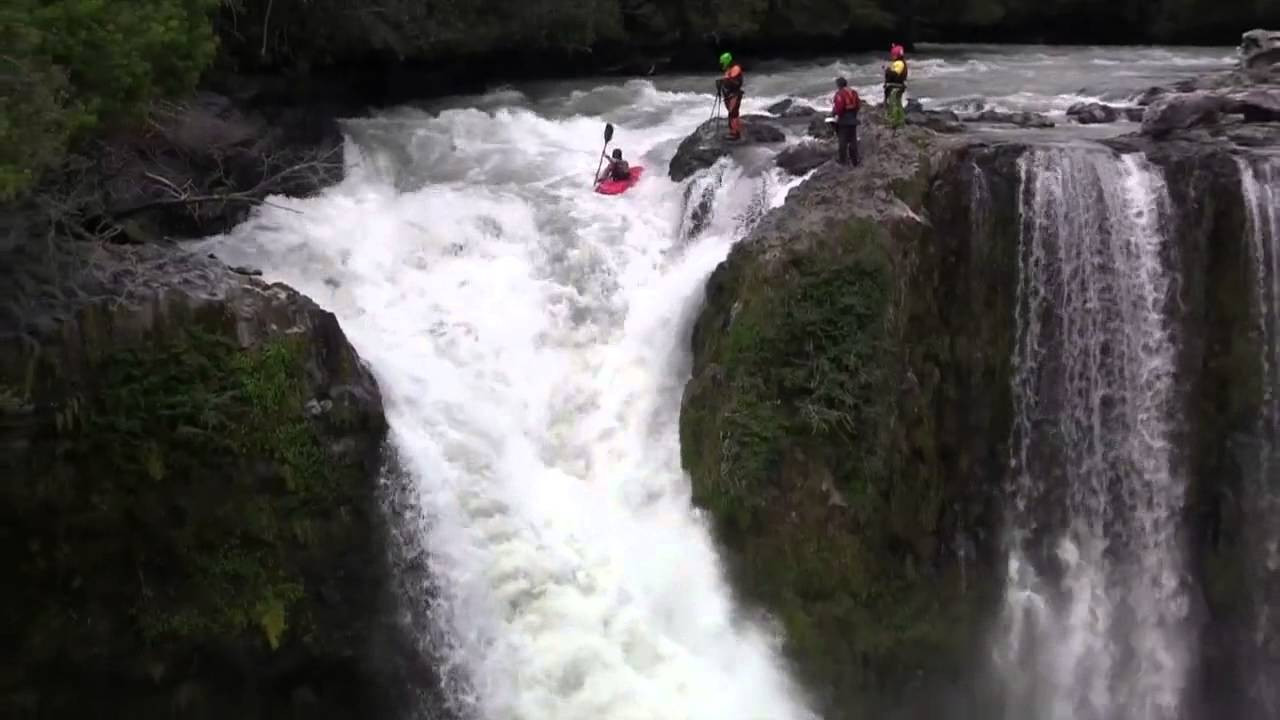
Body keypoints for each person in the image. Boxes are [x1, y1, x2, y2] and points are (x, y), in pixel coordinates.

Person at [831, 77, 861, 166]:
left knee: (842, 141)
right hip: (853, 118)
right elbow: (858, 105)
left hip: (844, 119)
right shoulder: (853, 92)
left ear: (838, 85)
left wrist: (836, 116)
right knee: (853, 140)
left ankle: (843, 160)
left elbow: (839, 108)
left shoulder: (839, 94)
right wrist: (854, 115)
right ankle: (855, 160)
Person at [715, 52, 744, 141]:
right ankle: (733, 131)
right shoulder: (729, 69)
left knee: (733, 113)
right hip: (729, 94)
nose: (722, 64)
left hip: (735, 94)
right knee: (732, 113)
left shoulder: (735, 68)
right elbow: (727, 80)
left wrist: (723, 81)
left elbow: (731, 80)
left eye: (723, 62)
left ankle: (735, 134)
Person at [883, 43, 908, 130]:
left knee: (894, 104)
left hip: (896, 87)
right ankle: (900, 121)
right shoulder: (899, 63)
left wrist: (888, 70)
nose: (892, 56)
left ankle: (895, 122)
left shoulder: (899, 63)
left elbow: (894, 74)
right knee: (897, 103)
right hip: (897, 86)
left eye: (893, 55)